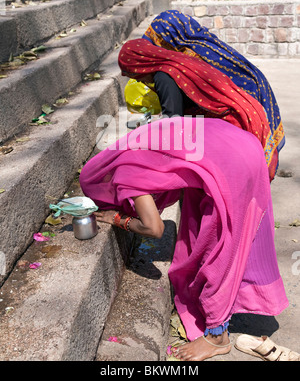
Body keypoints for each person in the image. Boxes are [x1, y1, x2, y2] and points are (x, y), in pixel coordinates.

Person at [79, 116, 289, 361]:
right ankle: (228, 302)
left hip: (232, 166)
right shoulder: (130, 146)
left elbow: (154, 228)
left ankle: (217, 336)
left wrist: (117, 219)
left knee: (222, 250)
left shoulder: (125, 175)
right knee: (212, 230)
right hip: (237, 143)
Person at [142, 9, 285, 171]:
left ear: (167, 41)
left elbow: (174, 121)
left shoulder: (176, 68)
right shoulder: (207, 46)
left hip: (238, 120)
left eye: (157, 42)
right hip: (254, 114)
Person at [118, 38, 278, 181]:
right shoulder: (174, 61)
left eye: (135, 76)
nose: (140, 80)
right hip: (244, 109)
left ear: (141, 67)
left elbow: (173, 124)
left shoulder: (163, 77)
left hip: (232, 121)